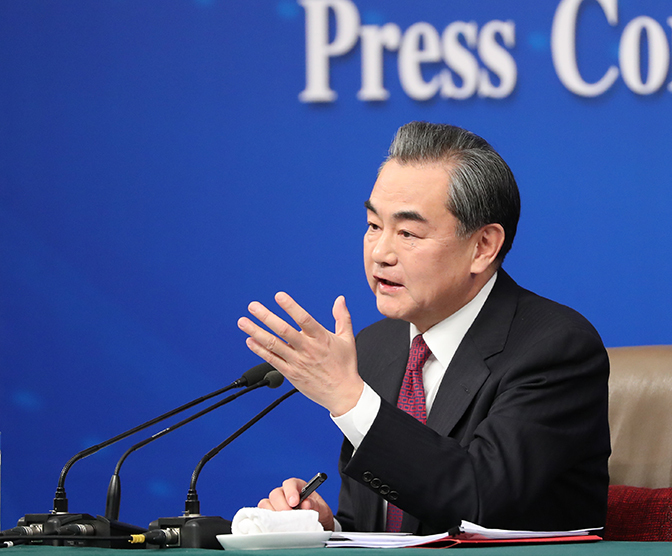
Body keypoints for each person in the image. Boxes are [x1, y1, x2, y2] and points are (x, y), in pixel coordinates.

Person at [238, 121, 610, 534]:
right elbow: (382, 529)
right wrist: (326, 528)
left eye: (408, 232)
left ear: (483, 246)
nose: (380, 253)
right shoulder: (376, 347)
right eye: (373, 226)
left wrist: (349, 398)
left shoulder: (555, 348)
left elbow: (479, 502)